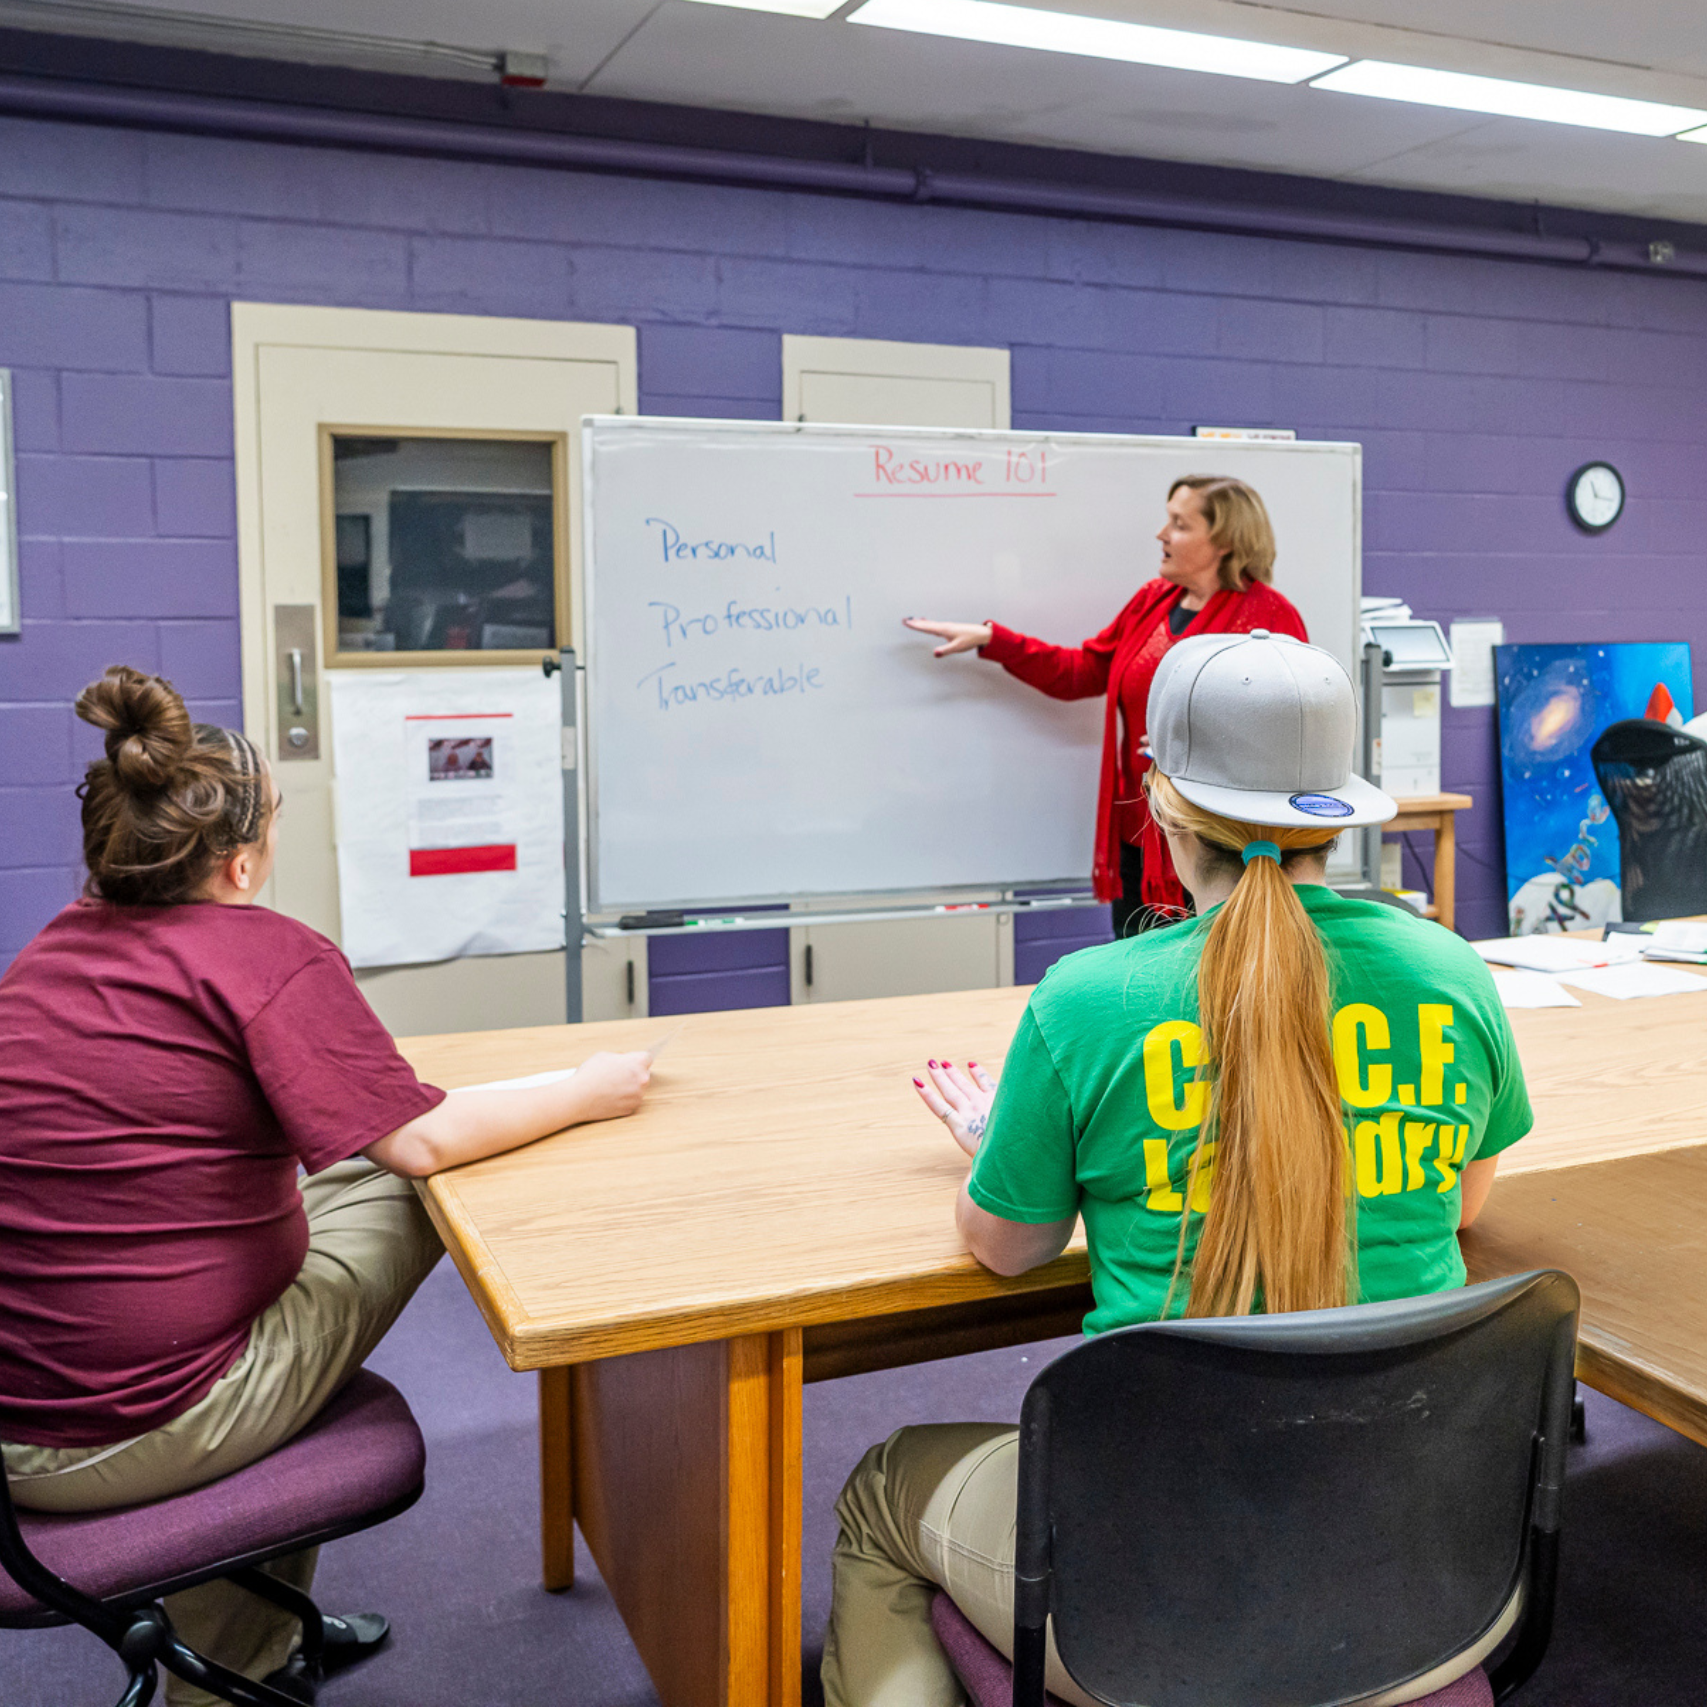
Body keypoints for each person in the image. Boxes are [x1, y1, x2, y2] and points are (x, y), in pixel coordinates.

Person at [822, 631, 1532, 1707]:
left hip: (1143, 1602)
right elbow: (1464, 1198)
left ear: (1159, 802)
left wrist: (1009, 1148)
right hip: (1421, 1571)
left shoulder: (1086, 1002)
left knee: (882, 1488)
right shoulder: (1451, 970)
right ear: (1337, 815)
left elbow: (1006, 1250)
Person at [0, 667, 653, 1707]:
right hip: (142, 1422)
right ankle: (233, 1676)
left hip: (23, 1410)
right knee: (421, 1188)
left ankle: (251, 1643)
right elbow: (424, 1144)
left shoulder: (42, 961)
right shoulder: (263, 956)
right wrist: (585, 1091)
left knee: (349, 1169)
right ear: (244, 860)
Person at [905, 475, 1307, 938]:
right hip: (1139, 833)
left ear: (1224, 541)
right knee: (1139, 982)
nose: (1161, 534)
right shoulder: (1151, 602)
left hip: (1217, 845)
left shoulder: (1270, 617)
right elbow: (1083, 673)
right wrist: (996, 640)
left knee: (1204, 984)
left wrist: (1199, 744)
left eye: (1179, 524)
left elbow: (1287, 730)